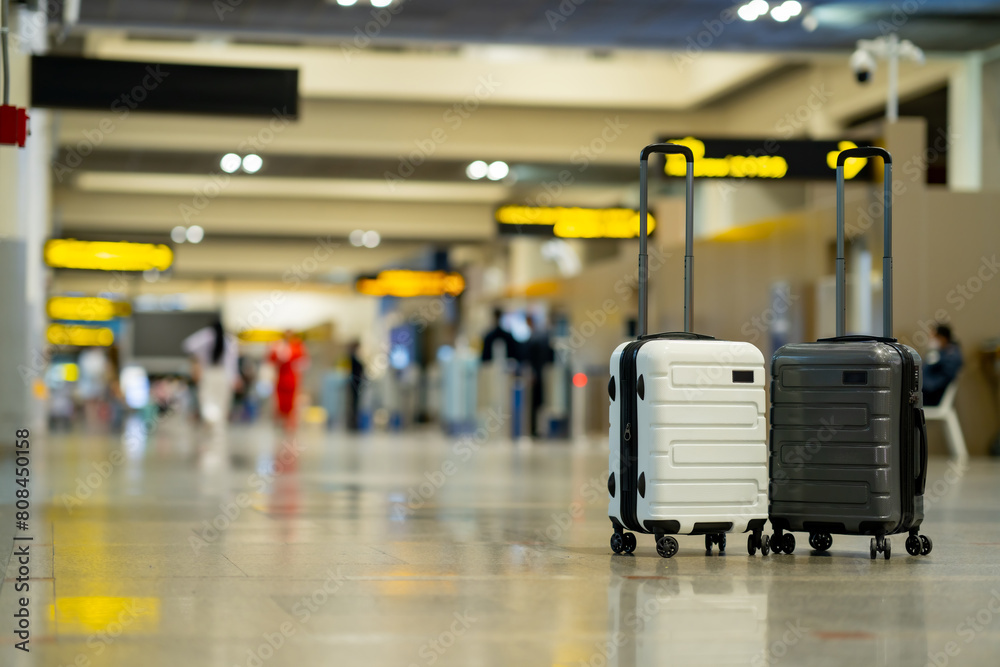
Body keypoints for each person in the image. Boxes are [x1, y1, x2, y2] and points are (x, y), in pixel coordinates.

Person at [183, 318, 240, 462]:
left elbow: (188, 345)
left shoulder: (207, 336)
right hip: (223, 376)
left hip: (209, 374)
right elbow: (232, 363)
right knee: (222, 405)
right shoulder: (229, 340)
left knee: (207, 402)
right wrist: (235, 379)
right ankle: (218, 435)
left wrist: (199, 360)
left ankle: (211, 425)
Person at [268, 330, 308, 434]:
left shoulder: (297, 346)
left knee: (292, 402)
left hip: (292, 378)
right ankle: (280, 421)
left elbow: (303, 361)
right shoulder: (278, 345)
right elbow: (271, 359)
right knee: (280, 401)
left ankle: (290, 423)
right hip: (280, 378)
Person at [524, 315, 555, 437]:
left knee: (534, 404)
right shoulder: (545, 338)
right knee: (542, 403)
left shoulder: (533, 339)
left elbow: (528, 358)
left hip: (536, 376)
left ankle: (534, 429)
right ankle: (541, 429)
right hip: (545, 375)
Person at [922, 323, 963, 407]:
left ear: (943, 338)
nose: (931, 340)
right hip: (926, 393)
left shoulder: (951, 356)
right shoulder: (940, 353)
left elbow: (942, 380)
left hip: (932, 397)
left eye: (934, 337)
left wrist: (922, 387)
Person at [347, 341, 365, 431]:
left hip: (356, 384)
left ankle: (354, 422)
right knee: (353, 404)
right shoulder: (352, 359)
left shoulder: (353, 358)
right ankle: (353, 423)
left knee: (355, 404)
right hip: (354, 384)